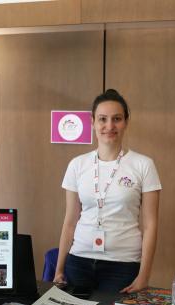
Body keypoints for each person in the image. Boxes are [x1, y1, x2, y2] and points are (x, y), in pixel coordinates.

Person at [54, 89, 161, 293]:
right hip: (79, 262)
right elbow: (69, 221)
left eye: (117, 119)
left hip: (123, 265)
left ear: (126, 122)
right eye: (102, 119)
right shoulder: (77, 165)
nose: (109, 126)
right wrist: (59, 269)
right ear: (92, 122)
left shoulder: (143, 165)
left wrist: (143, 276)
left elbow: (151, 225)